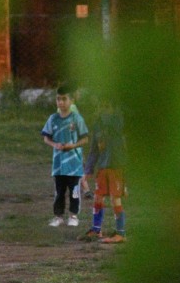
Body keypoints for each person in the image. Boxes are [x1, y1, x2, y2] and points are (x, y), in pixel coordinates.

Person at [41, 85, 89, 228]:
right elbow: (46, 138)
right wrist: (54, 144)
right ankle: (58, 217)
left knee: (74, 191)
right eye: (58, 99)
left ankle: (73, 216)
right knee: (59, 192)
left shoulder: (77, 118)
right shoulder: (53, 119)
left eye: (64, 99)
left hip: (74, 164)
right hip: (59, 164)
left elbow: (85, 139)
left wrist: (73, 146)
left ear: (71, 100)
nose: (61, 102)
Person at [82, 101, 127, 243]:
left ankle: (120, 233)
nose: (103, 110)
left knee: (115, 198)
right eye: (100, 106)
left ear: (114, 108)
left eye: (107, 106)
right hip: (102, 167)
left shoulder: (118, 122)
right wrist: (88, 169)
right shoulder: (97, 125)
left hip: (116, 166)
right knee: (98, 197)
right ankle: (96, 230)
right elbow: (94, 149)